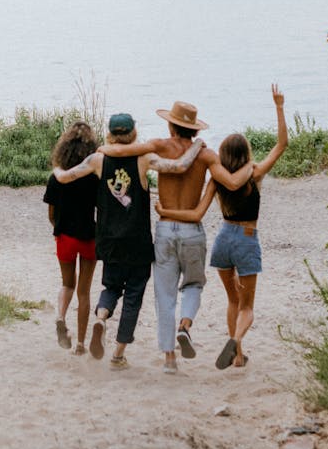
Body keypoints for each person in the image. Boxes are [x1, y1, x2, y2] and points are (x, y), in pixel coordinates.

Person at [101, 101, 254, 374]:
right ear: (193, 130)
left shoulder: (159, 145)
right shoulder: (206, 156)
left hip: (164, 228)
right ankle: (185, 325)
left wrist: (103, 148)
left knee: (165, 294)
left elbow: (121, 150)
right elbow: (231, 183)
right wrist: (252, 166)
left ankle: (169, 360)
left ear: (171, 125)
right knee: (193, 285)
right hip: (192, 231)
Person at [53, 113, 204, 370]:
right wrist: (198, 146)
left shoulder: (98, 159)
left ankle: (101, 317)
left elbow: (66, 177)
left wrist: (56, 167)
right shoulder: (144, 159)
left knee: (111, 288)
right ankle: (118, 353)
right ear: (134, 133)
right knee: (133, 297)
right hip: (138, 241)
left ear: (110, 135)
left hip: (109, 240)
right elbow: (179, 166)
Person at [156, 85, 288, 369]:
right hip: (247, 239)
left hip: (223, 240)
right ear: (246, 153)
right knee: (247, 306)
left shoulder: (216, 178)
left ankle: (238, 356)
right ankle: (236, 341)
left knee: (233, 300)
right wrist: (279, 107)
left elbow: (198, 212)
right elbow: (281, 146)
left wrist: (165, 211)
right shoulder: (253, 173)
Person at [43, 121, 100, 355]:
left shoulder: (56, 178)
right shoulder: (94, 177)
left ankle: (60, 317)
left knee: (67, 284)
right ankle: (80, 345)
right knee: (84, 292)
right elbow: (102, 209)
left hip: (64, 236)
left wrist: (60, 228)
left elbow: (51, 215)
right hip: (88, 236)